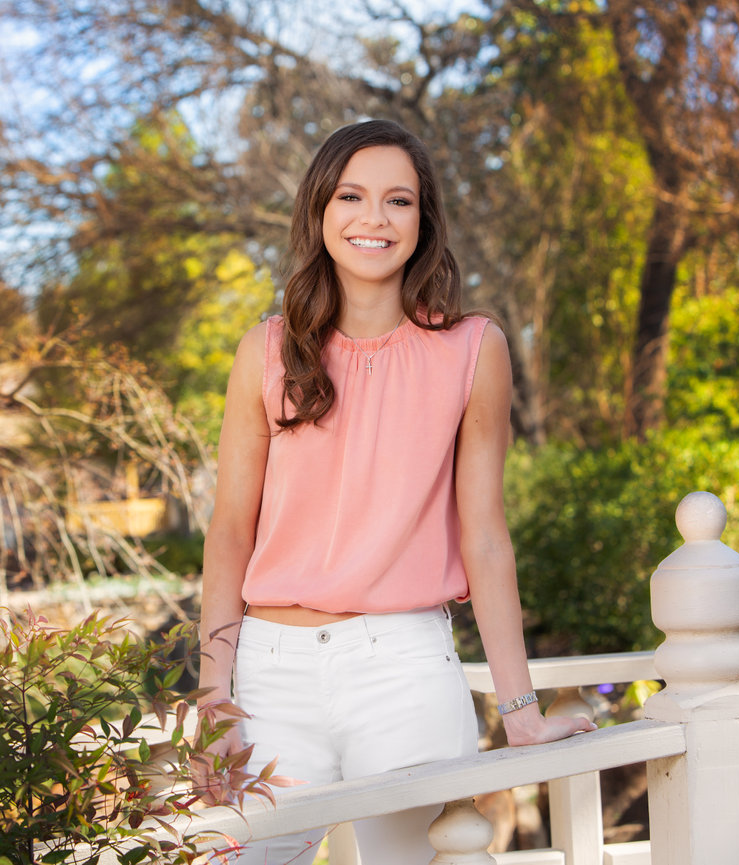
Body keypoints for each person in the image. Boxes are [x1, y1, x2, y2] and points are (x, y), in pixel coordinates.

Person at [192, 119, 596, 864]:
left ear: (424, 220)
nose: (373, 218)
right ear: (320, 211)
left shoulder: (473, 349)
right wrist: (215, 696)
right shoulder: (266, 350)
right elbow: (229, 532)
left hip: (403, 669)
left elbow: (484, 537)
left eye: (398, 200)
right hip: (270, 669)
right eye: (351, 195)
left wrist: (522, 712)